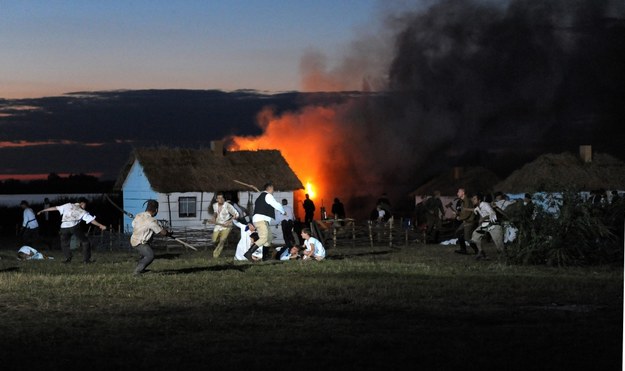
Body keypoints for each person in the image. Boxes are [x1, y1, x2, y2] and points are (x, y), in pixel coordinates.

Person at [37, 197, 106, 264]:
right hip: (74, 226)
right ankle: (86, 260)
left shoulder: (67, 205)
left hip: (63, 227)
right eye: (85, 205)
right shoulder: (82, 211)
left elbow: (55, 208)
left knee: (64, 243)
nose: (85, 206)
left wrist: (43, 210)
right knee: (85, 242)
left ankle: (68, 258)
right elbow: (91, 220)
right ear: (82, 203)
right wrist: (100, 225)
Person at [244, 182, 286, 261]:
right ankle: (248, 253)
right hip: (261, 220)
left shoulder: (262, 196)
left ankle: (264, 257)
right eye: (273, 189)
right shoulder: (268, 196)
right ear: (270, 188)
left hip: (261, 220)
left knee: (269, 238)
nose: (273, 190)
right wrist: (283, 211)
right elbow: (276, 204)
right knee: (263, 238)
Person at [130, 199, 172, 275]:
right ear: (156, 210)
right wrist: (168, 233)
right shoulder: (151, 221)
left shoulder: (138, 215)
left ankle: (141, 268)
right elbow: (162, 232)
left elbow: (133, 224)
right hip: (140, 242)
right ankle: (137, 271)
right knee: (150, 256)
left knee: (144, 255)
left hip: (134, 240)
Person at [468, 193, 505, 260]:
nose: (472, 200)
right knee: (475, 235)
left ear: (479, 200)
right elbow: (473, 210)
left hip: (494, 224)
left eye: (474, 199)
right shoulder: (478, 207)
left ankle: (505, 257)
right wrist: (464, 209)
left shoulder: (485, 205)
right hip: (486, 225)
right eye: (472, 199)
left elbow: (492, 213)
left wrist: (483, 218)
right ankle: (481, 253)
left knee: (499, 245)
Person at [210, 192, 239, 258]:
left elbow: (236, 214)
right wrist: (214, 217)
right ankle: (218, 245)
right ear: (217, 199)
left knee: (222, 240)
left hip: (227, 226)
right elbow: (215, 212)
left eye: (222, 198)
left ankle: (216, 255)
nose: (221, 199)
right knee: (214, 240)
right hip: (218, 225)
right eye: (219, 198)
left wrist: (229, 222)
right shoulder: (215, 205)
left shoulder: (228, 206)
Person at [453, 188, 477, 255]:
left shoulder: (467, 201)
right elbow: (463, 212)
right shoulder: (462, 201)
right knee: (458, 232)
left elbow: (467, 213)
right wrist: (457, 213)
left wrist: (459, 218)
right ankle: (463, 249)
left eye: (458, 192)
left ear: (463, 193)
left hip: (469, 222)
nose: (457, 193)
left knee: (467, 238)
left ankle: (478, 250)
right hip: (465, 221)